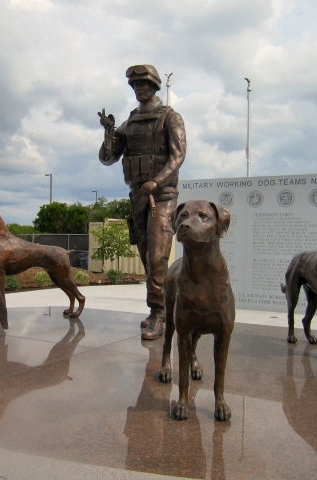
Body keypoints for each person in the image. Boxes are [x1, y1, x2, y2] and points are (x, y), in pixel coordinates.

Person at [98, 64, 186, 340]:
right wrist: (109, 133)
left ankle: (158, 313)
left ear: (155, 87)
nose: (138, 89)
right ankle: (162, 305)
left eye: (143, 85)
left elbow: (177, 156)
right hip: (137, 195)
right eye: (135, 86)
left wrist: (158, 181)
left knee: (158, 255)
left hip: (162, 195)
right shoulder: (131, 122)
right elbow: (107, 158)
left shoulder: (170, 117)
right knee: (147, 256)